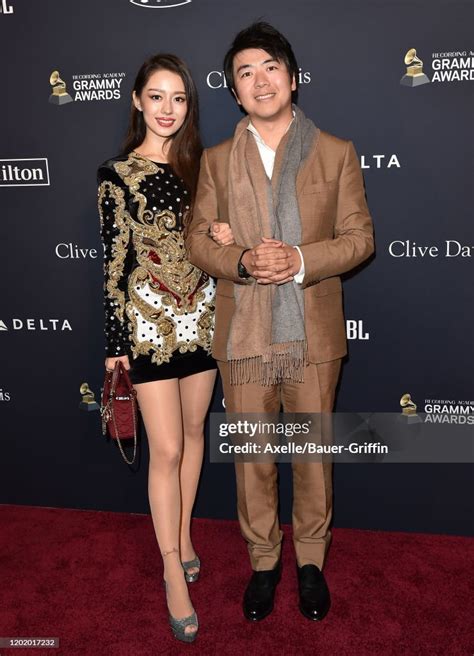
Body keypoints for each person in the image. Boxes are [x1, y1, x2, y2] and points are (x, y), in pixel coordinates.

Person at [186, 22, 374, 623]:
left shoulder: (336, 151)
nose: (259, 80)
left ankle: (311, 562)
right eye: (245, 72)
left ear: (292, 78)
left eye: (270, 67)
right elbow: (197, 242)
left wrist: (298, 261)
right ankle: (264, 561)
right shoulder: (216, 160)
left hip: (311, 336)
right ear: (235, 91)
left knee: (312, 456)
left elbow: (359, 239)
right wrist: (241, 259)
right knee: (254, 459)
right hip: (242, 337)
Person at [97, 53, 228, 643]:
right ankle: (171, 567)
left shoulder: (204, 167)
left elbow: (215, 238)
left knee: (197, 433)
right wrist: (114, 344)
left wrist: (227, 234)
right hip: (148, 323)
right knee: (168, 448)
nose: (168, 109)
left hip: (202, 316)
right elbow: (113, 264)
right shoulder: (117, 174)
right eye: (156, 96)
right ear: (137, 101)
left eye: (178, 98)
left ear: (188, 105)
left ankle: (185, 533)